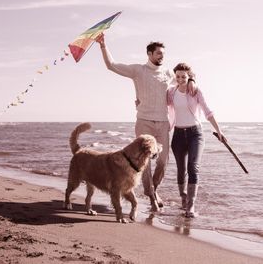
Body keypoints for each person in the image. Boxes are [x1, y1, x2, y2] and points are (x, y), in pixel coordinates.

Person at [96, 34, 195, 211]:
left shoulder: (168, 73)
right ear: (149, 54)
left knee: (163, 160)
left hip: (163, 122)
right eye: (158, 53)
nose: (162, 56)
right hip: (144, 122)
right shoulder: (138, 70)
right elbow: (111, 65)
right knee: (145, 163)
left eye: (163, 53)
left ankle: (154, 189)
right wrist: (103, 45)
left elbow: (186, 75)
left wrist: (192, 81)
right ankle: (151, 197)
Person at [167, 62, 225, 218]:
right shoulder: (171, 93)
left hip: (195, 134)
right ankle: (183, 198)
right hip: (178, 135)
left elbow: (207, 111)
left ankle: (191, 206)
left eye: (184, 76)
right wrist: (140, 104)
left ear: (189, 76)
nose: (180, 79)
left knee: (193, 167)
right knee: (181, 170)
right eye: (178, 76)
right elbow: (158, 106)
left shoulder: (195, 91)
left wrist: (218, 131)